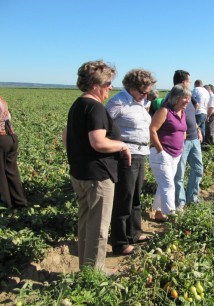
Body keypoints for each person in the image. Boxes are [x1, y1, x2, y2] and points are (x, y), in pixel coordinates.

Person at [62, 60, 132, 273]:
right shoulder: (95, 108)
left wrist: (79, 155)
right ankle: (94, 272)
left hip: (81, 173)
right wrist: (122, 145)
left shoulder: (78, 104)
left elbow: (66, 136)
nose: (111, 87)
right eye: (108, 83)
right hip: (97, 177)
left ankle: (86, 267)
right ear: (96, 84)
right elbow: (98, 142)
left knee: (85, 223)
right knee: (99, 227)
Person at [105, 68, 156, 255]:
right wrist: (116, 145)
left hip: (141, 152)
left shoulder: (139, 102)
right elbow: (102, 125)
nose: (145, 95)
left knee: (135, 195)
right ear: (131, 87)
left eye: (147, 92)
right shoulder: (118, 102)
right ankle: (119, 242)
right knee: (123, 197)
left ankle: (134, 233)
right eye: (143, 91)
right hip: (126, 153)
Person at [149, 84, 190, 221]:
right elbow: (152, 130)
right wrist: (161, 151)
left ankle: (159, 213)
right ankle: (172, 215)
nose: (187, 101)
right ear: (176, 98)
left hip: (176, 154)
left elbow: (183, 130)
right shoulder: (164, 111)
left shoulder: (182, 112)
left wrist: (181, 144)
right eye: (185, 98)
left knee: (164, 184)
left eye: (189, 98)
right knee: (168, 185)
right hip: (162, 154)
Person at [174, 71, 204, 211]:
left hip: (194, 139)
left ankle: (192, 197)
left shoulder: (188, 97)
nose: (190, 84)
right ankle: (180, 201)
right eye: (189, 81)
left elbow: (191, 116)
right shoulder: (173, 97)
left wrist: (197, 128)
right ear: (183, 82)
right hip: (182, 140)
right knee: (179, 173)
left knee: (198, 169)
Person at [0, 96, 27, 208]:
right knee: (11, 171)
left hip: (1, 138)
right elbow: (8, 118)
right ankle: (20, 202)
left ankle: (5, 204)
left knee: (0, 173)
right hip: (11, 137)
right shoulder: (2, 101)